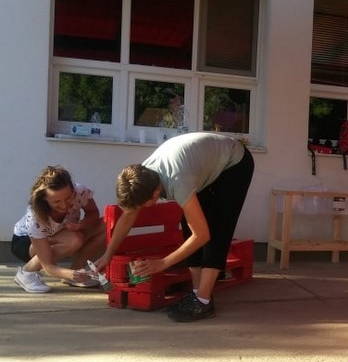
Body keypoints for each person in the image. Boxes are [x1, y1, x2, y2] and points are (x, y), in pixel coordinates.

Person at [93, 132, 254, 322]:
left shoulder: (178, 180)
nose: (139, 210)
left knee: (216, 228)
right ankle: (197, 293)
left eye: (142, 206)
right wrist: (108, 255)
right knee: (188, 224)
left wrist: (163, 263)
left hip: (235, 162)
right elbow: (129, 214)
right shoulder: (140, 177)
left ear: (155, 195)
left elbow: (202, 235)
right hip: (204, 162)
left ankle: (203, 302)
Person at [11, 166, 106, 293]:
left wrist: (82, 225)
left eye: (68, 198)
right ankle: (27, 272)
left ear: (72, 189)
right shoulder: (35, 217)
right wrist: (70, 274)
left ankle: (76, 271)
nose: (64, 205)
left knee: (107, 224)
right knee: (74, 240)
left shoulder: (80, 192)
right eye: (56, 202)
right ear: (44, 199)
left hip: (61, 234)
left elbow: (93, 213)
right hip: (25, 241)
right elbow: (48, 266)